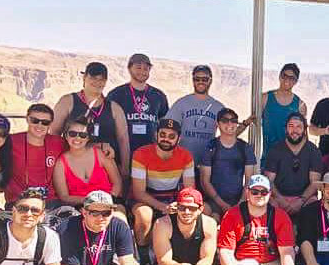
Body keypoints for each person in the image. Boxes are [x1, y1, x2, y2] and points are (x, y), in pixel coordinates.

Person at [218, 174, 298, 265]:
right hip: (240, 263)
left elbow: (286, 251)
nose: (259, 195)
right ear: (247, 193)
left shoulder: (280, 216)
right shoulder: (232, 215)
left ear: (270, 194)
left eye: (264, 192)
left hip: (270, 264)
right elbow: (225, 251)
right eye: (255, 191)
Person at [50, 62, 131, 177]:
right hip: (73, 166)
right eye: (93, 78)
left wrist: (125, 169)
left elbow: (123, 141)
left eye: (102, 79)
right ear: (84, 77)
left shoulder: (114, 108)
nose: (97, 82)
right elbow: (54, 135)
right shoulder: (67, 102)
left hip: (107, 168)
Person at [130, 118, 196, 257]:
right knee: (144, 215)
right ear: (156, 135)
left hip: (172, 198)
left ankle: (187, 255)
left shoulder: (186, 156)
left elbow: (190, 189)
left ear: (179, 138)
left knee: (200, 211)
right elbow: (138, 192)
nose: (166, 139)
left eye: (171, 136)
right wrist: (162, 207)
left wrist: (179, 205)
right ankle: (144, 258)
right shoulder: (141, 154)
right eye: (163, 135)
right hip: (146, 198)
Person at [105, 53, 170, 158]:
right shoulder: (116, 94)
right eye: (138, 67)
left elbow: (164, 124)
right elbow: (107, 124)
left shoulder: (158, 96)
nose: (142, 71)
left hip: (150, 154)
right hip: (121, 153)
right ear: (129, 69)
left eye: (146, 68)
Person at [52, 116, 123, 210]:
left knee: (120, 217)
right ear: (66, 136)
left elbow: (117, 183)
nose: (77, 138)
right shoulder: (61, 163)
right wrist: (91, 201)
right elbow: (64, 197)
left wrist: (108, 199)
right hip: (80, 207)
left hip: (110, 203)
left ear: (88, 138)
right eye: (73, 134)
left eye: (82, 135)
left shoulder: (101, 153)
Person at [4, 103, 67, 208]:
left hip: (51, 202)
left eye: (45, 122)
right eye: (35, 121)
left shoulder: (58, 143)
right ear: (27, 119)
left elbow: (80, 148)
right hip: (19, 201)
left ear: (50, 124)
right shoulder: (11, 141)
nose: (39, 126)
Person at [199, 107, 257, 218]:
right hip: (214, 201)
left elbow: (250, 180)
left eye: (233, 120)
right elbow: (205, 181)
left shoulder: (245, 148)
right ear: (218, 124)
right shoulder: (211, 147)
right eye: (225, 121)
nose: (230, 124)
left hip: (239, 200)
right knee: (205, 215)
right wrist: (222, 205)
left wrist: (240, 203)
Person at [264, 112, 322, 217]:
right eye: (291, 126)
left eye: (299, 126)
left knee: (314, 204)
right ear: (286, 129)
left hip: (304, 199)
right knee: (268, 203)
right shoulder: (275, 150)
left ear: (305, 129)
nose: (294, 130)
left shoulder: (314, 151)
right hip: (279, 198)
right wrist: (281, 200)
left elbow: (315, 183)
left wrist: (300, 201)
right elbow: (269, 181)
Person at [166, 65, 226, 163]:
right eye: (197, 79)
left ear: (210, 80)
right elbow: (167, 129)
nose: (200, 82)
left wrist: (245, 124)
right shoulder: (182, 103)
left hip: (208, 162)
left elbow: (229, 133)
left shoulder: (218, 107)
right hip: (183, 161)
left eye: (204, 79)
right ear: (193, 80)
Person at [261, 63, 308, 163]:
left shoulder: (300, 105)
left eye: (291, 78)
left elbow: (304, 135)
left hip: (291, 160)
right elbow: (255, 122)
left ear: (296, 81)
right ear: (279, 76)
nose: (287, 80)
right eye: (284, 76)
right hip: (269, 158)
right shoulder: (265, 98)